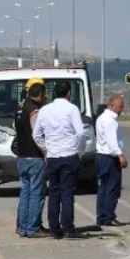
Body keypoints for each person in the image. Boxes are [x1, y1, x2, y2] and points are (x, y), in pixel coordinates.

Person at [33, 81, 86, 239]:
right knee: (67, 193)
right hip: (69, 154)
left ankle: (55, 229)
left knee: (54, 193)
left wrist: (46, 149)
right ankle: (68, 228)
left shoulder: (44, 110)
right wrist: (79, 151)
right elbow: (81, 133)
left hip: (53, 156)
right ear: (68, 93)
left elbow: (36, 134)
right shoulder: (72, 109)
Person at [13, 80, 48, 238]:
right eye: (45, 94)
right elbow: (37, 134)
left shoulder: (20, 107)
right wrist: (45, 152)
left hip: (22, 156)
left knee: (25, 192)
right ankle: (33, 228)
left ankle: (22, 226)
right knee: (36, 193)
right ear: (40, 94)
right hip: (34, 157)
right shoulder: (34, 110)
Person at [95, 93, 128, 227]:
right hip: (109, 157)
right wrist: (120, 155)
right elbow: (111, 141)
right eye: (120, 107)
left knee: (104, 187)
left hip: (103, 157)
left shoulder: (103, 118)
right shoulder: (109, 120)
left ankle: (102, 216)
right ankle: (108, 216)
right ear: (112, 105)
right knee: (112, 188)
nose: (121, 111)